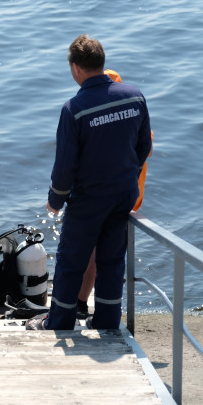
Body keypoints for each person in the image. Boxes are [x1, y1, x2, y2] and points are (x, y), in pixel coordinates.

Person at [40, 35, 152, 330]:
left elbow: (64, 166)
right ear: (101, 63)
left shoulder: (74, 109)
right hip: (124, 193)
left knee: (71, 261)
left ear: (76, 68)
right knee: (112, 260)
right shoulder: (134, 96)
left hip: (90, 198)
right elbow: (143, 148)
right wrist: (126, 173)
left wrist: (56, 199)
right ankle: (106, 321)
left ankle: (59, 322)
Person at [75, 69, 154, 319]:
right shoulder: (131, 114)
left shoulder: (91, 113)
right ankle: (104, 312)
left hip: (102, 199)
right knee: (108, 259)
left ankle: (80, 304)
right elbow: (146, 149)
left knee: (91, 258)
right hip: (127, 199)